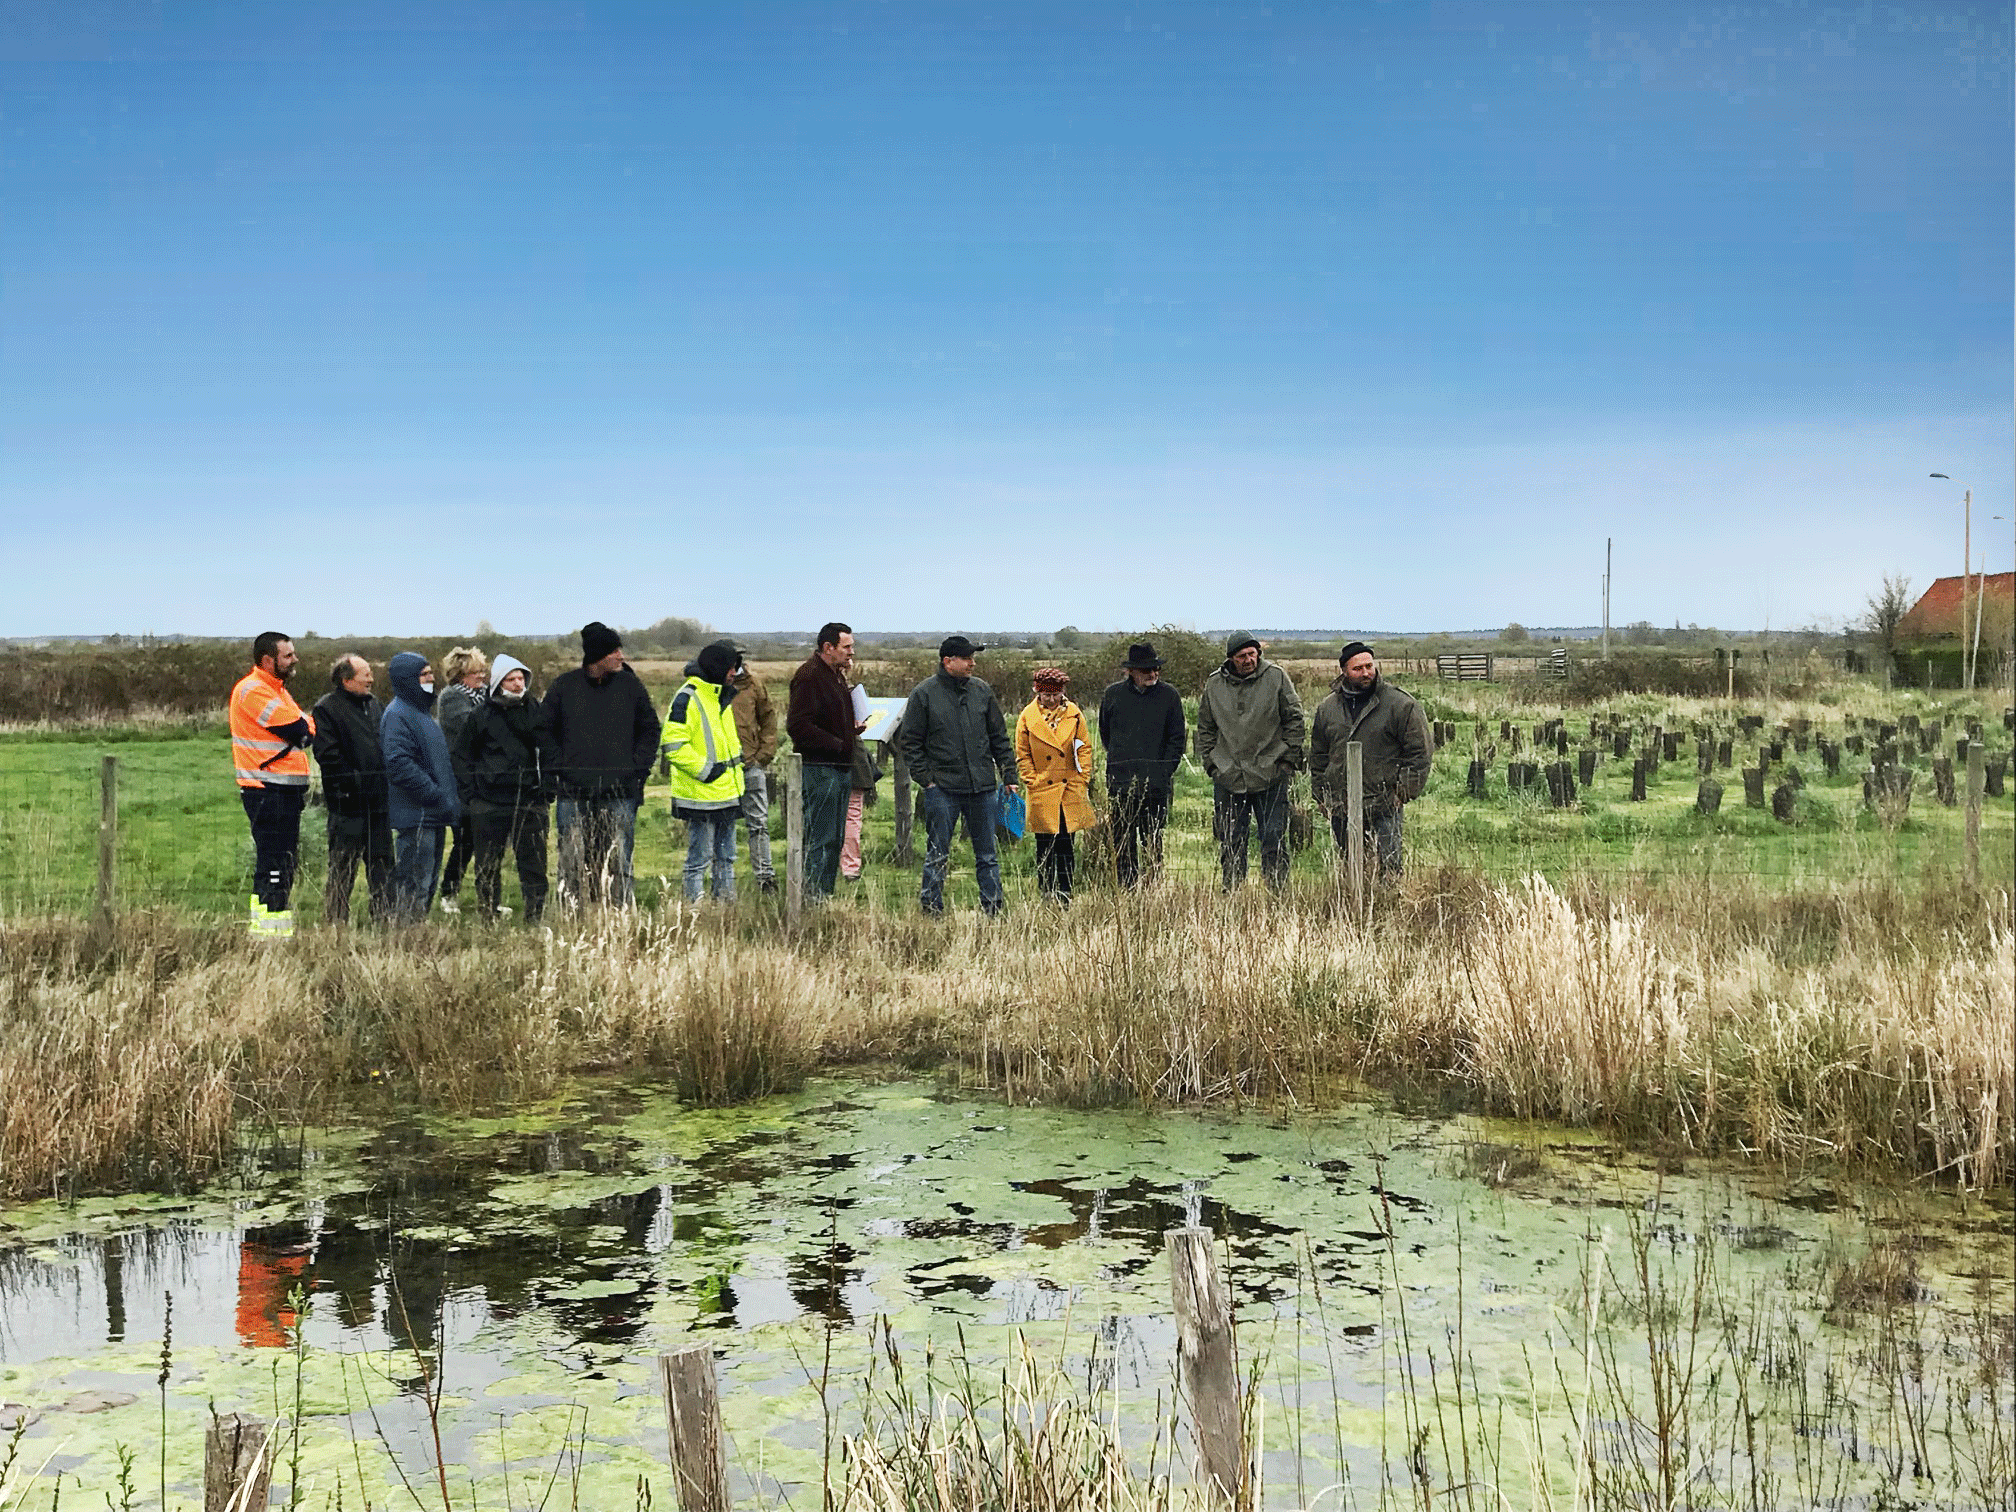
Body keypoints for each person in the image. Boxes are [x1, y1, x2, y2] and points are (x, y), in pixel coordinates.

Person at [544, 621, 662, 908]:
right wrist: (560, 770)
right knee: (571, 862)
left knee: (619, 860)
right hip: (573, 793)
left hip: (620, 792)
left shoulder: (630, 686)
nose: (621, 656)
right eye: (615, 651)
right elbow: (544, 732)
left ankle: (619, 915)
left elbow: (650, 729)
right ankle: (572, 916)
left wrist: (637, 771)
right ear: (598, 655)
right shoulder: (564, 687)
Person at [900, 635, 1019, 916]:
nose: (972, 663)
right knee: (937, 853)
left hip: (983, 787)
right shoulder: (924, 694)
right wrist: (927, 779)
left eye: (972, 658)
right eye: (967, 658)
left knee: (988, 855)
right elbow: (911, 742)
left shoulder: (982, 692)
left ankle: (993, 909)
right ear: (948, 661)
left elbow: (998, 736)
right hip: (943, 789)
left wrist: (1008, 773)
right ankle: (931, 911)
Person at [1310, 641, 1432, 879]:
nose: (1365, 673)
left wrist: (1402, 793)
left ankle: (1388, 911)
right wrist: (1321, 796)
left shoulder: (1400, 704)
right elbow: (1318, 755)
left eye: (1369, 666)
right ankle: (1353, 910)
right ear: (1344, 671)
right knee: (1352, 868)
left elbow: (1420, 753)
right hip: (1341, 804)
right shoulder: (1328, 708)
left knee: (1389, 868)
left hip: (1384, 802)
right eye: (1357, 669)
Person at [1196, 631, 1305, 892]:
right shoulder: (1214, 684)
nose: (1248, 660)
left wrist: (1287, 761)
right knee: (1231, 840)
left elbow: (1294, 719)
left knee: (1273, 839)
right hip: (1228, 775)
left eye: (1252, 654)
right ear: (1231, 659)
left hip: (1271, 773)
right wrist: (1212, 764)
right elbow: (1205, 727)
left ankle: (1278, 894)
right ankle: (1233, 894)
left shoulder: (1276, 677)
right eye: (1242, 656)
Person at [457, 653, 557, 921]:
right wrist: (469, 795)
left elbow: (549, 750)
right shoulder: (480, 715)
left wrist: (548, 787)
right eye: (511, 679)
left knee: (534, 864)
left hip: (530, 799)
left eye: (521, 678)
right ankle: (488, 914)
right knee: (487, 865)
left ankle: (535, 915)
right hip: (489, 802)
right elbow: (462, 756)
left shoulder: (536, 711)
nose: (517, 684)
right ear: (499, 682)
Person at [229, 632, 316, 938]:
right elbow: (301, 731)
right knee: (274, 863)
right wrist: (303, 728)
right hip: (267, 789)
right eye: (288, 655)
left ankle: (273, 927)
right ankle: (268, 931)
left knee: (284, 861)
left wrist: (304, 727)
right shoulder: (253, 690)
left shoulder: (278, 691)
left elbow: (308, 728)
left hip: (284, 788)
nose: (295, 660)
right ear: (268, 660)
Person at [663, 639, 747, 902]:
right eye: (731, 667)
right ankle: (695, 914)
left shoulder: (719, 696)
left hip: (726, 793)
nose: (735, 673)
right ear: (717, 667)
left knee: (727, 858)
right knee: (699, 859)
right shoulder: (687, 697)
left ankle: (725, 912)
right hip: (700, 795)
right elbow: (673, 745)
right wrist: (707, 772)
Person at [312, 653, 393, 925]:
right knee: (342, 869)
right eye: (365, 674)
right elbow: (328, 756)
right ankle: (335, 926)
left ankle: (385, 921)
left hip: (379, 804)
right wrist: (357, 783)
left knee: (382, 866)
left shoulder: (375, 705)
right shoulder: (327, 709)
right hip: (347, 805)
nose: (371, 678)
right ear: (347, 680)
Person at [1097, 641, 1186, 888]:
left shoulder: (1170, 696)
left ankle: (1153, 888)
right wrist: (1119, 767)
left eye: (1156, 668)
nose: (1153, 674)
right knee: (1123, 841)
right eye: (1147, 669)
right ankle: (1127, 889)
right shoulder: (1112, 695)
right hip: (1120, 783)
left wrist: (1162, 773)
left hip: (1156, 785)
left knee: (1153, 840)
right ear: (1131, 671)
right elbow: (1106, 734)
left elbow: (1177, 740)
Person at [381, 652, 461, 922]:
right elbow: (398, 763)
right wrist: (434, 794)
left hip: (433, 814)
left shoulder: (422, 713)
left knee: (427, 882)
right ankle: (406, 938)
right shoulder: (397, 715)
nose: (431, 679)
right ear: (407, 680)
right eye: (424, 675)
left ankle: (418, 935)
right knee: (414, 882)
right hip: (416, 815)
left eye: (430, 673)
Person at [786, 621, 864, 899]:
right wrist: (837, 743)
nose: (851, 652)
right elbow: (798, 725)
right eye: (846, 647)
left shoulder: (835, 675)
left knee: (835, 838)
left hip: (840, 766)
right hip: (820, 768)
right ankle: (812, 897)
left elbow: (826, 719)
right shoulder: (809, 677)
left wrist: (850, 731)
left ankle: (825, 895)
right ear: (828, 647)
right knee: (821, 837)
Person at [1015, 668, 1096, 904]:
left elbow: (1084, 749)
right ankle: (1046, 891)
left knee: (1066, 843)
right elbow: (1022, 752)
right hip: (1042, 787)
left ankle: (1065, 891)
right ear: (1037, 691)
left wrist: (1082, 780)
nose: (1051, 700)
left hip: (1069, 787)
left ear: (1063, 692)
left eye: (1056, 694)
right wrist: (1031, 779)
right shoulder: (1027, 716)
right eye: (1046, 695)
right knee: (1044, 844)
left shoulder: (1074, 714)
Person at [434, 646, 488, 914]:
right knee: (465, 838)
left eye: (482, 670)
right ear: (459, 674)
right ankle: (448, 892)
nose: (481, 675)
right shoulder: (453, 697)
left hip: (482, 779)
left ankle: (488, 897)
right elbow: (472, 728)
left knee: (485, 839)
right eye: (474, 671)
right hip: (461, 780)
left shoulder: (483, 696)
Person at [730, 660, 780, 895]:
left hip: (751, 764)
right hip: (719, 769)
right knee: (721, 825)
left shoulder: (752, 684)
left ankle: (765, 879)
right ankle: (724, 883)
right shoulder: (707, 685)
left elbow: (768, 718)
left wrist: (764, 754)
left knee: (758, 824)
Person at [839, 738, 883, 882]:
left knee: (829, 815)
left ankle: (830, 864)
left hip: (828, 761)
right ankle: (850, 868)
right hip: (854, 762)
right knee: (852, 818)